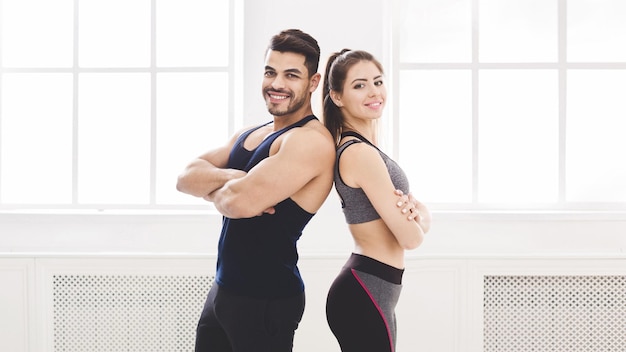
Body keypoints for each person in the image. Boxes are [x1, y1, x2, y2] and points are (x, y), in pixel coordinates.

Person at [176, 29, 336, 352]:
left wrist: (222, 187)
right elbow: (185, 177)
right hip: (223, 290)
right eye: (270, 72)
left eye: (291, 75)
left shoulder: (310, 141)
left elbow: (237, 203)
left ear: (314, 82)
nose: (276, 84)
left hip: (266, 300)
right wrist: (238, 177)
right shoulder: (250, 133)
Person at [321, 49, 432, 352]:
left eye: (378, 81)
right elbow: (410, 238)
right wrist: (423, 218)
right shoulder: (359, 153)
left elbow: (408, 229)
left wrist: (417, 219)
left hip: (374, 290)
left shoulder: (364, 148)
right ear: (337, 96)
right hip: (365, 292)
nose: (374, 92)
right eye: (359, 85)